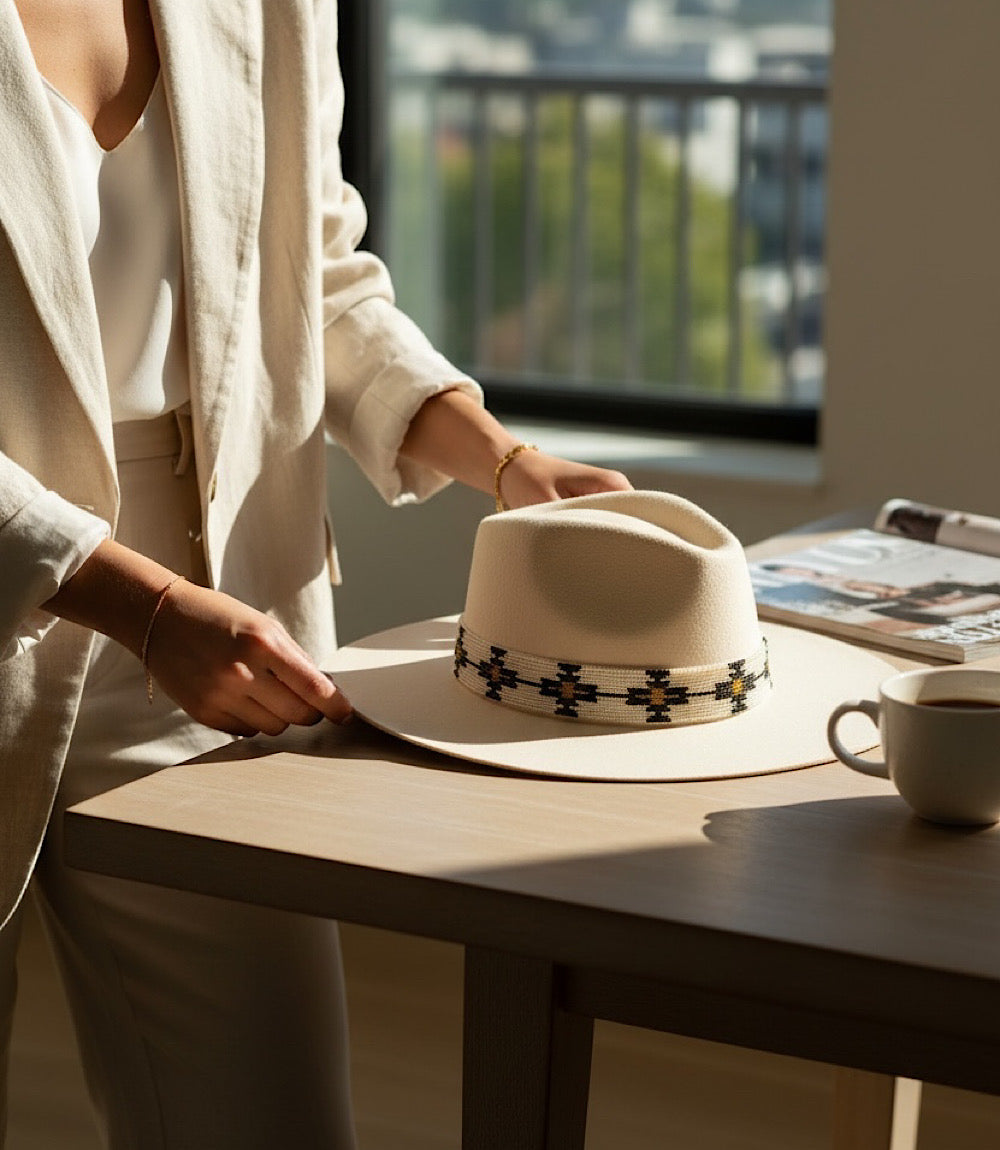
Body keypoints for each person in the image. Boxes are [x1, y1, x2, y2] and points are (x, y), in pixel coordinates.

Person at [0, 1, 632, 1146]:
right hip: (78, 589)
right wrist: (135, 602)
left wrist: (500, 458)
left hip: (222, 625)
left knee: (270, 1118)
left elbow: (311, 272)